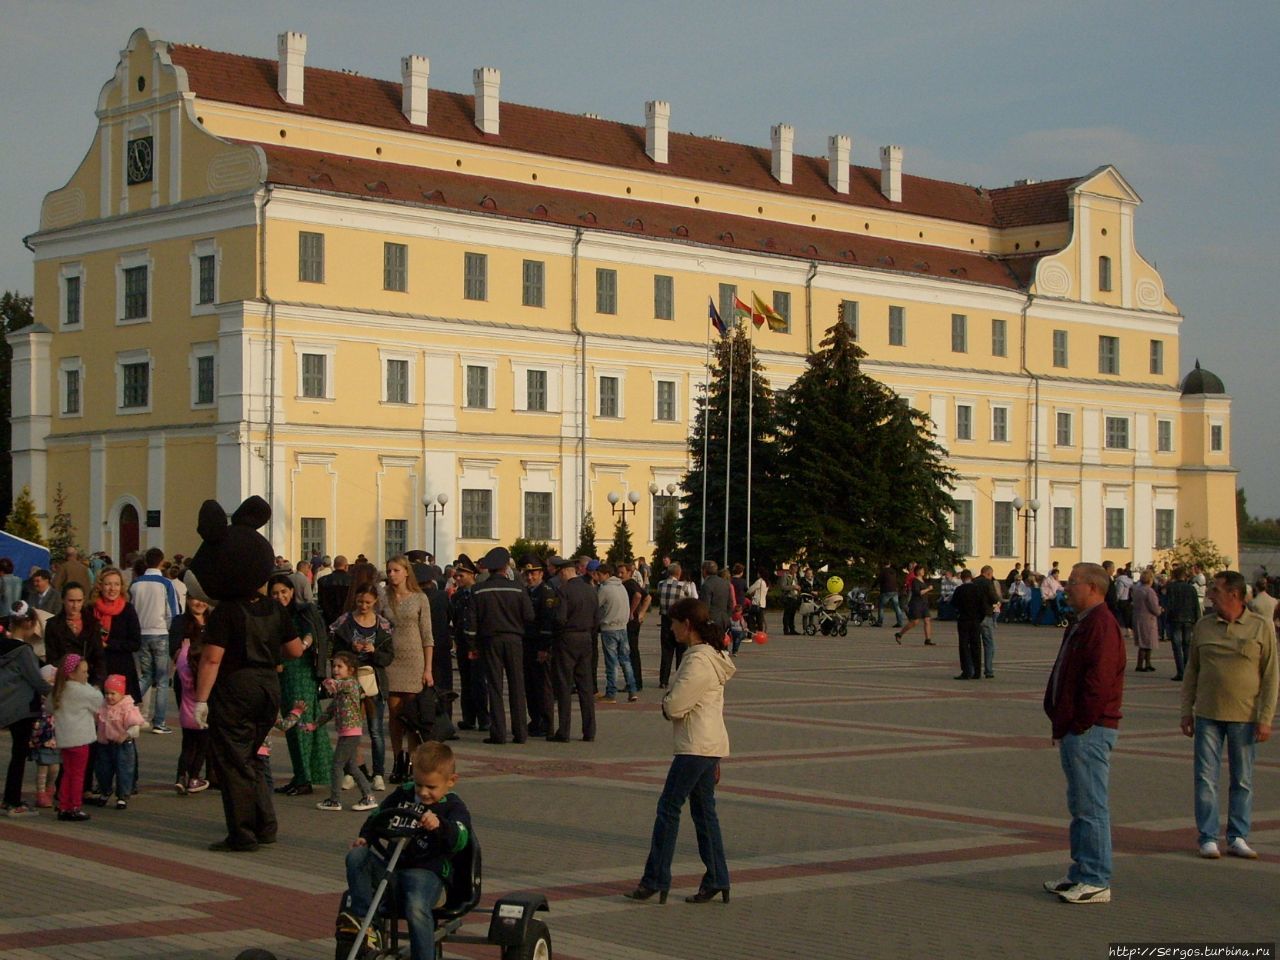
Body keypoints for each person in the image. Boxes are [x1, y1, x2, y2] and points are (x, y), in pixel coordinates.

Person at [190, 494, 305, 853]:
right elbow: (295, 650)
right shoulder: (273, 607)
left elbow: (211, 659)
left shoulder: (227, 612)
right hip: (268, 687)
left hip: (235, 688)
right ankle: (266, 823)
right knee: (254, 755)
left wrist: (201, 701)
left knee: (234, 761)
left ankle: (242, 832)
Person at [626, 597, 735, 905]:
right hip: (707, 744)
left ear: (687, 625)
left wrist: (665, 702)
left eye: (673, 623)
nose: (670, 628)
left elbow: (675, 706)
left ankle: (656, 878)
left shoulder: (699, 660)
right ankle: (717, 878)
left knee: (668, 810)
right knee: (703, 812)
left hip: (695, 747)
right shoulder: (709, 655)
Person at [341, 741, 471, 960]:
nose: (423, 792)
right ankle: (367, 926)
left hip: (427, 874)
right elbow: (376, 818)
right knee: (356, 856)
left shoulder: (452, 806)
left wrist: (440, 824)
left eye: (431, 787)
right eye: (419, 784)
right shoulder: (403, 795)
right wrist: (366, 837)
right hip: (392, 871)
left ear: (451, 782)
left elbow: (461, 838)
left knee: (415, 906)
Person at [1042, 562, 1125, 904]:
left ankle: (1096, 878)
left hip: (1091, 729)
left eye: (1073, 583)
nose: (1066, 588)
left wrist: (1080, 723)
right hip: (1077, 727)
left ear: (1093, 587)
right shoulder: (1083, 623)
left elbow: (1098, 682)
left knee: (1091, 805)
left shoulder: (1101, 625)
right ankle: (1081, 872)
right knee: (1079, 803)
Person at [1180, 570, 1277, 860]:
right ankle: (1208, 837)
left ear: (1234, 594)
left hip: (1245, 716)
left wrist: (1266, 717)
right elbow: (1192, 671)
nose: (1210, 594)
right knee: (1205, 778)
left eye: (1216, 590)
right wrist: (1187, 711)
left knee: (1242, 779)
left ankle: (1237, 836)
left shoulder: (1261, 627)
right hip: (1208, 714)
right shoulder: (1204, 626)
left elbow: (1271, 676)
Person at [268, 574, 332, 796]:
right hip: (283, 674)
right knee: (292, 726)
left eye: (283, 592)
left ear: (292, 592)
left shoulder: (303, 611)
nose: (280, 596)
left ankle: (305, 778)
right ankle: (300, 776)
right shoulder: (272, 615)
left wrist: (302, 646)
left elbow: (312, 635)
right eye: (275, 593)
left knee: (301, 725)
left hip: (301, 672)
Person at [330, 584, 395, 791]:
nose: (363, 606)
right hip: (351, 682)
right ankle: (351, 771)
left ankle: (378, 773)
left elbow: (388, 657)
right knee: (350, 730)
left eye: (368, 602)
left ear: (375, 601)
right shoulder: (345, 622)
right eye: (360, 602)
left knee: (375, 730)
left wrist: (374, 651)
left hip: (373, 680)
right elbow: (336, 649)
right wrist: (351, 648)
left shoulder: (382, 624)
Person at [471, 547, 534, 745]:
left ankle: (498, 733)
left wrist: (473, 645)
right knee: (517, 685)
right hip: (514, 640)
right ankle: (520, 732)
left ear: (488, 568)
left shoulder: (478, 590)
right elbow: (529, 616)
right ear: (506, 566)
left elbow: (472, 622)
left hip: (490, 641)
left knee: (495, 687)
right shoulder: (518, 588)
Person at [380, 555, 434, 783]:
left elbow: (427, 635)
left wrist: (428, 668)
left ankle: (412, 761)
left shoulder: (420, 598)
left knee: (412, 716)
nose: (391, 574)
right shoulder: (383, 599)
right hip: (392, 661)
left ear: (405, 572)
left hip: (414, 661)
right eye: (389, 571)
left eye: (395, 570)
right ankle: (397, 759)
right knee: (394, 715)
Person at [311, 652, 378, 813]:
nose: (335, 669)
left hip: (350, 732)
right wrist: (315, 725)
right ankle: (368, 796)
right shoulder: (341, 690)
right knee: (352, 767)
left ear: (351, 670)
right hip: (347, 732)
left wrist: (328, 682)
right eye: (333, 666)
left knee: (336, 765)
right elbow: (330, 711)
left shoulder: (350, 684)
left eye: (340, 666)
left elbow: (335, 685)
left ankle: (335, 800)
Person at [0, 604, 50, 816]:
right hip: (22, 708)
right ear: (29, 623)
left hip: (5, 705)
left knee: (16, 754)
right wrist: (58, 691)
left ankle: (8, 800)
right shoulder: (24, 652)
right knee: (19, 754)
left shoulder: (4, 647)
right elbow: (37, 680)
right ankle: (13, 801)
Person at [548, 555, 600, 742]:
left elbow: (559, 619)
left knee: (564, 685)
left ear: (563, 572)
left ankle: (564, 731)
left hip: (567, 639)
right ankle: (589, 730)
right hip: (586, 639)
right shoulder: (590, 590)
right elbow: (597, 620)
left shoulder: (564, 591)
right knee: (585, 686)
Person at [129, 547, 181, 734]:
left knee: (145, 675)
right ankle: (159, 721)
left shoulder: (135, 584)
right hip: (159, 632)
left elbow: (131, 610)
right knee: (162, 680)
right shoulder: (166, 584)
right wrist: (166, 627)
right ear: (161, 562)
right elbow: (173, 612)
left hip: (141, 633)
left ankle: (129, 702)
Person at [51, 653, 103, 822]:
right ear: (72, 673)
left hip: (65, 738)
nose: (86, 675)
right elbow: (98, 702)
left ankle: (64, 805)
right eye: (84, 671)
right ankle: (74, 806)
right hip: (80, 738)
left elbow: (48, 707)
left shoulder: (59, 689)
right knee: (78, 774)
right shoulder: (82, 691)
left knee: (67, 772)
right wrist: (91, 687)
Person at [172, 596, 211, 795]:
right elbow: (175, 650)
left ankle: (186, 775)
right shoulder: (180, 621)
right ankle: (191, 776)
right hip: (188, 682)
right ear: (188, 600)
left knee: (196, 737)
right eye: (195, 599)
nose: (199, 603)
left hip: (205, 682)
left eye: (203, 599)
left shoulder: (213, 619)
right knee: (196, 736)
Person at [92, 674, 144, 809]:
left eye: (113, 693)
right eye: (107, 693)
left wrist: (126, 735)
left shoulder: (127, 707)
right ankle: (105, 790)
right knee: (102, 770)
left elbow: (135, 727)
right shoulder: (103, 705)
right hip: (104, 744)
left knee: (124, 771)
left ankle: (122, 796)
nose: (109, 697)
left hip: (123, 745)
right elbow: (96, 719)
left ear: (121, 693)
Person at [448, 556, 486, 735]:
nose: (458, 579)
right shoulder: (456, 597)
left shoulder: (479, 593)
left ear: (472, 575)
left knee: (479, 681)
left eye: (461, 576)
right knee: (466, 681)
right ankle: (469, 717)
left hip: (477, 644)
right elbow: (455, 619)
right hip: (462, 643)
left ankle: (484, 718)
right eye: (456, 576)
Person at [93, 568, 143, 702]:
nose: (112, 588)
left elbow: (135, 643)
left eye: (116, 584)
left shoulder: (127, 610)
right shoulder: (91, 609)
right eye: (108, 584)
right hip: (97, 669)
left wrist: (108, 645)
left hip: (121, 668)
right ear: (100, 586)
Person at [521, 558, 556, 738]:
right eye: (527, 573)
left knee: (542, 686)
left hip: (540, 645)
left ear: (541, 574)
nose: (530, 576)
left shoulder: (546, 593)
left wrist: (544, 648)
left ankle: (546, 722)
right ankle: (535, 720)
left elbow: (547, 622)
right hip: (527, 643)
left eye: (533, 573)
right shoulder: (525, 591)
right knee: (530, 686)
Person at [596, 562, 637, 704]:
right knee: (626, 660)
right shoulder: (621, 587)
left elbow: (596, 606)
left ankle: (611, 693)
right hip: (623, 627)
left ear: (606, 575)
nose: (597, 578)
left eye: (599, 575)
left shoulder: (605, 589)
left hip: (609, 628)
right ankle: (632, 690)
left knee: (611, 662)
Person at [656, 562, 692, 687]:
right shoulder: (683, 586)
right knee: (681, 651)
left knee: (666, 651)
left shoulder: (661, 584)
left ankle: (663, 680)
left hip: (665, 620)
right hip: (680, 621)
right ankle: (679, 678)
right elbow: (689, 600)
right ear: (678, 573)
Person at [1163, 566, 1201, 683]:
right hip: (1189, 619)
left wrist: (1166, 619)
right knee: (1187, 646)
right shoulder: (1191, 588)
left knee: (1177, 646)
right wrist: (1197, 619)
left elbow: (1168, 604)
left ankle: (1181, 672)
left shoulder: (1171, 588)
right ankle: (1188, 672)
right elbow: (1196, 605)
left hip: (1175, 619)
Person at [620, 559, 651, 691]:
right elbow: (648, 597)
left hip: (630, 623)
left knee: (630, 652)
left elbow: (639, 596)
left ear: (630, 572)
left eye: (622, 572)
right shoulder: (631, 584)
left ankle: (634, 682)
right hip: (634, 621)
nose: (620, 575)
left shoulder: (629, 584)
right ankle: (635, 682)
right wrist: (642, 613)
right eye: (618, 572)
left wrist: (632, 612)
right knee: (632, 652)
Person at [950, 570, 983, 680]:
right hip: (975, 620)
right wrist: (979, 618)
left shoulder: (960, 589)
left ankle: (966, 671)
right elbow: (983, 605)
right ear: (971, 577)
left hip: (963, 620)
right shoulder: (977, 589)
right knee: (976, 645)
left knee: (964, 645)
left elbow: (953, 604)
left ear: (962, 578)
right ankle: (977, 671)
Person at [1130, 569, 1162, 673]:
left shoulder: (1137, 590)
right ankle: (1143, 664)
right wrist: (1159, 610)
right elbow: (1153, 606)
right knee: (1147, 643)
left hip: (1138, 617)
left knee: (1143, 642)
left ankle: (1146, 664)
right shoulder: (1149, 591)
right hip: (1148, 619)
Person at [895, 563, 934, 645]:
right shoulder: (915, 581)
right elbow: (918, 592)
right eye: (922, 570)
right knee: (915, 622)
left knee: (927, 620)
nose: (923, 572)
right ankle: (899, 634)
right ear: (918, 571)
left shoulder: (923, 580)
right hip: (916, 603)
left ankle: (928, 639)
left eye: (923, 570)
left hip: (924, 603)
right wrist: (928, 589)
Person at [976, 566, 1002, 678]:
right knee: (989, 644)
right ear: (989, 573)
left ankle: (974, 669)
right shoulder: (988, 583)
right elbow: (994, 598)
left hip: (974, 616)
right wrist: (997, 600)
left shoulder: (974, 582)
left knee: (975, 644)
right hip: (986, 614)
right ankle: (988, 670)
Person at [316, 555, 354, 629]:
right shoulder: (352, 581)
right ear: (346, 566)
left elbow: (320, 600)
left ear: (334, 565)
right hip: (347, 617)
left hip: (328, 617)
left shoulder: (323, 580)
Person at [698, 560, 732, 638]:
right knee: (722, 645)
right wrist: (727, 616)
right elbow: (730, 603)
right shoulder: (725, 583)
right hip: (724, 619)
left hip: (712, 621)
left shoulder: (706, 585)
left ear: (704, 571)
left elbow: (705, 606)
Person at [876, 562, 905, 631]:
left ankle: (880, 622)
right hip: (894, 591)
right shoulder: (893, 571)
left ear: (883, 565)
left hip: (886, 591)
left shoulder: (883, 572)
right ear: (889, 564)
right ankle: (900, 622)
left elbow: (878, 580)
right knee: (897, 607)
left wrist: (873, 587)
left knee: (881, 606)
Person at [778, 563, 801, 635]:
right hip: (788, 597)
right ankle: (786, 629)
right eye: (794, 569)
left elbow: (796, 585)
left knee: (792, 614)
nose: (795, 571)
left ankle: (792, 629)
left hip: (794, 597)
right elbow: (783, 587)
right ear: (790, 569)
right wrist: (793, 587)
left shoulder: (795, 576)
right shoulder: (785, 576)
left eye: (796, 570)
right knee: (787, 614)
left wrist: (798, 589)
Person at [747, 568, 769, 633]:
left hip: (756, 603)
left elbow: (750, 590)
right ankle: (760, 633)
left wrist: (750, 593)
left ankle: (752, 630)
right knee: (759, 620)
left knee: (750, 616)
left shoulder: (759, 581)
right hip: (762, 604)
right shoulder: (766, 582)